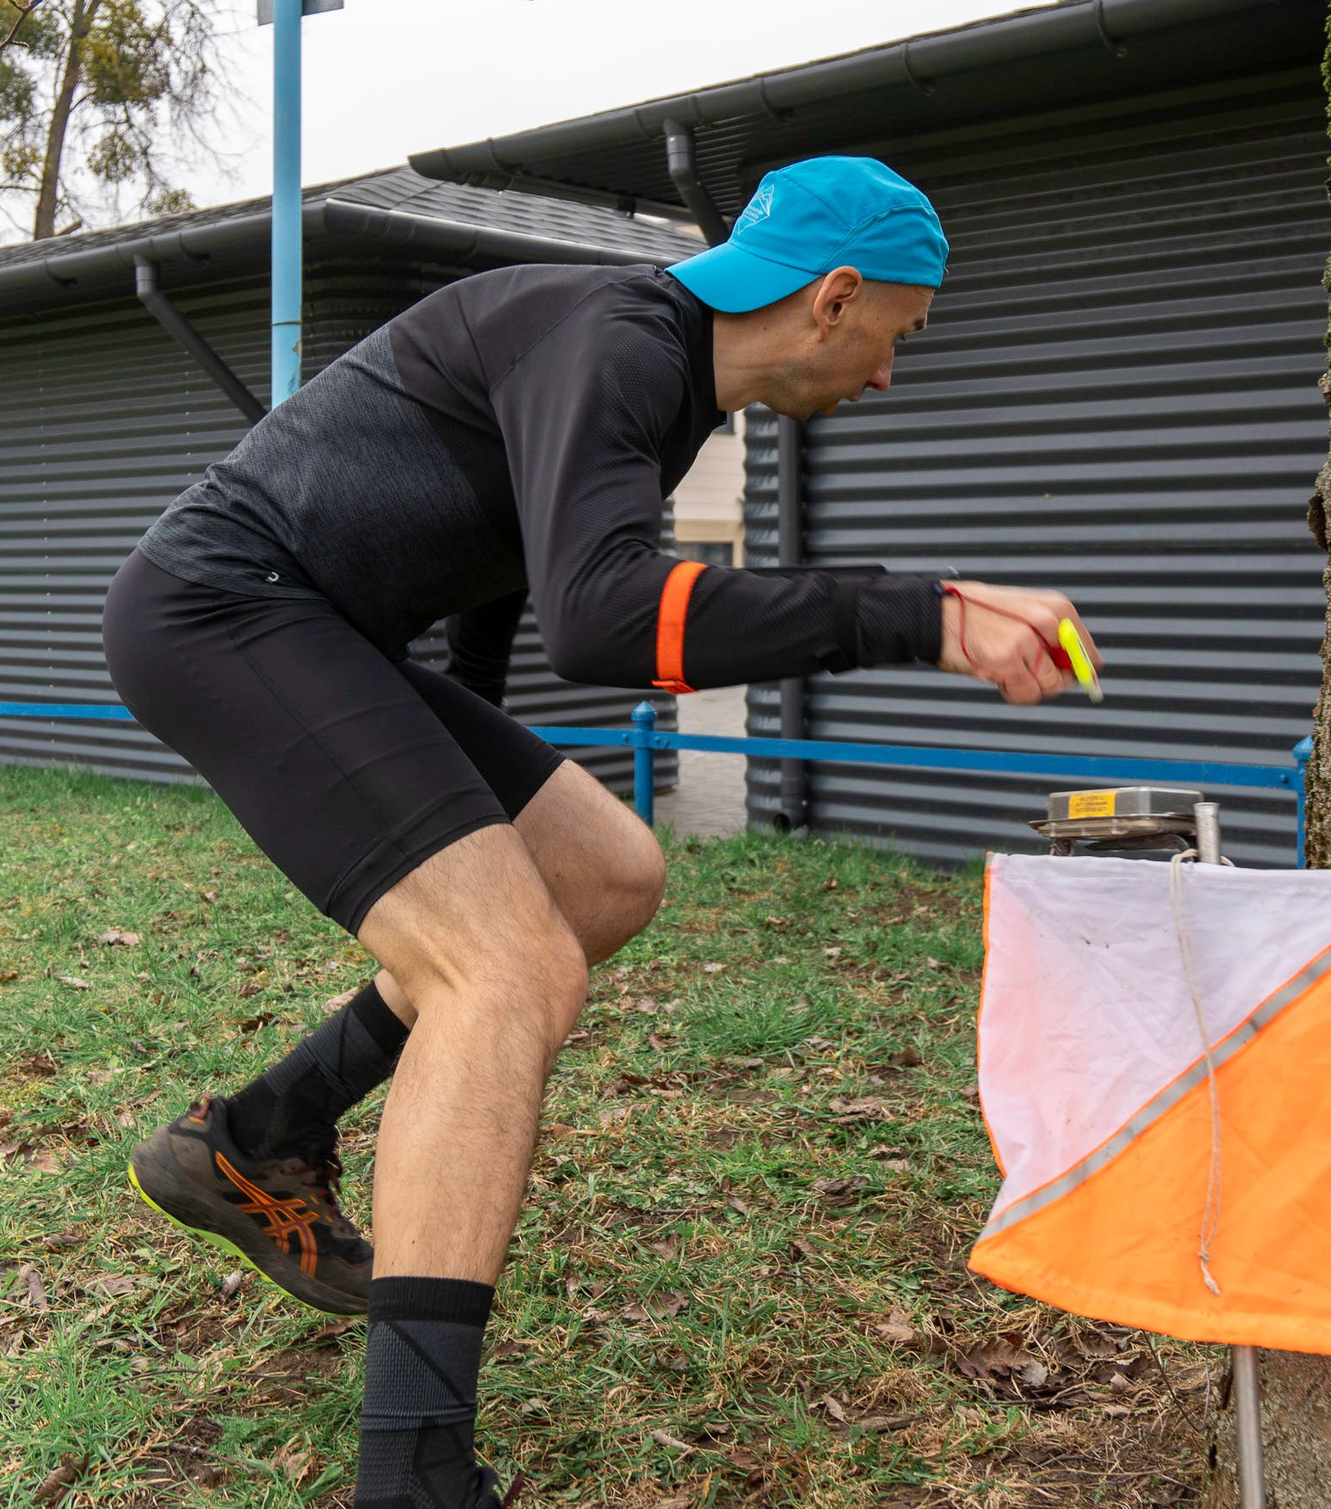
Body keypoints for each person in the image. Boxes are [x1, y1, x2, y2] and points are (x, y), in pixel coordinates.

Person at [100, 156, 1097, 1509]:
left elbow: (499, 572)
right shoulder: (618, 341)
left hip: (333, 634)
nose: (884, 378)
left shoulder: (652, 373)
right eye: (892, 339)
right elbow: (604, 614)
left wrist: (466, 796)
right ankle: (412, 1476)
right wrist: (917, 613)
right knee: (507, 973)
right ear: (835, 297)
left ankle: (255, 1134)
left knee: (605, 876)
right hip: (230, 611)